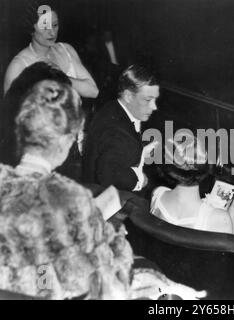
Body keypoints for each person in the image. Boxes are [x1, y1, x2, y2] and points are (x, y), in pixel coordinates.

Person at [0, 80, 204, 300]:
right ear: (67, 141)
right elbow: (81, 278)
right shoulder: (68, 197)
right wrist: (112, 236)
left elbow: (38, 255)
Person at [83, 65, 159, 192]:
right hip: (103, 197)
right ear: (128, 96)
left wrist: (140, 154)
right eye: (148, 100)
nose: (154, 107)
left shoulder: (113, 107)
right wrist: (140, 179)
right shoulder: (114, 132)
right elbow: (109, 176)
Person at [151, 133, 234, 235]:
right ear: (207, 168)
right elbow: (230, 248)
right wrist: (232, 219)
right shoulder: (220, 219)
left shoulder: (157, 194)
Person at [3, 4, 98, 98]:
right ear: (31, 29)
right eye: (45, 27)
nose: (52, 32)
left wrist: (60, 77)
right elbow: (10, 111)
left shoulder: (66, 49)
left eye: (55, 25)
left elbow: (94, 92)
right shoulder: (18, 66)